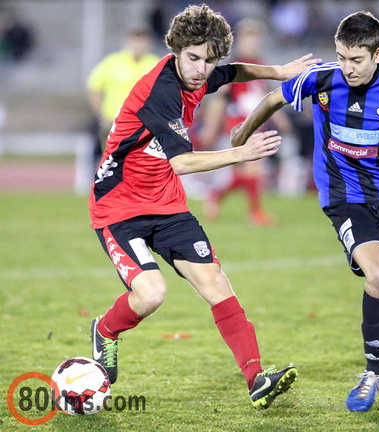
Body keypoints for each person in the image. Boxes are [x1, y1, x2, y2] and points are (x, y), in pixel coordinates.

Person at [231, 11, 379, 412]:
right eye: (342, 57)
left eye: (356, 60)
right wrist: (242, 136)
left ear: (377, 54)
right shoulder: (323, 78)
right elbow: (274, 97)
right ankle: (373, 372)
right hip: (346, 201)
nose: (347, 68)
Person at [88, 4, 319, 410]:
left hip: (167, 204)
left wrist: (278, 71)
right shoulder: (159, 90)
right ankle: (105, 330)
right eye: (193, 58)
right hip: (119, 207)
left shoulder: (204, 72)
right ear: (176, 49)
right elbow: (181, 162)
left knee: (217, 284)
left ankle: (256, 380)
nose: (201, 69)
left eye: (209, 60)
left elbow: (233, 72)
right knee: (152, 294)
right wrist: (241, 153)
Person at [198, 17, 292, 225]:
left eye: (255, 38)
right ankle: (256, 213)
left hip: (258, 123)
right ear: (239, 41)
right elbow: (220, 99)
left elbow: (267, 99)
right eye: (248, 38)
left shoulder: (261, 67)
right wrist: (211, 127)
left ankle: (216, 196)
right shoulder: (234, 68)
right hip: (239, 124)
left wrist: (280, 119)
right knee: (254, 167)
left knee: (248, 171)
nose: (252, 43)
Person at [87, 28, 160, 162]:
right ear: (127, 43)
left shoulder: (155, 64)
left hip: (143, 123)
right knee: (113, 160)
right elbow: (94, 88)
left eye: (142, 42)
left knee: (139, 161)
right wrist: (101, 114)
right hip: (114, 121)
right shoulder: (113, 62)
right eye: (135, 42)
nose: (138, 46)